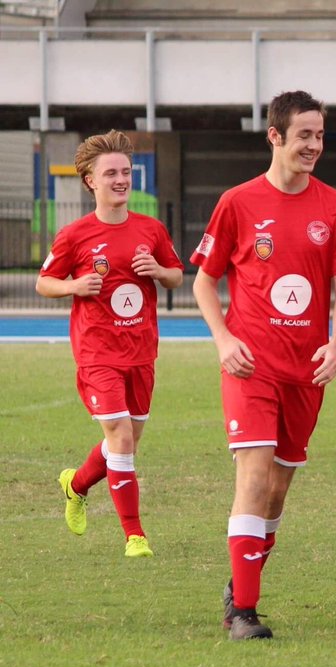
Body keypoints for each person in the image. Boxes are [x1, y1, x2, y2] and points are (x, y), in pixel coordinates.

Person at [191, 90, 336, 640]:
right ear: (275, 136)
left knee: (277, 491)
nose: (314, 144)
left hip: (304, 372)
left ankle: (239, 581)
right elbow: (203, 280)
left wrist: (335, 345)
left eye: (319, 134)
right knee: (255, 474)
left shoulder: (335, 206)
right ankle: (243, 610)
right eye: (304, 134)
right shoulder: (238, 202)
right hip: (250, 366)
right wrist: (222, 340)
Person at [37, 130, 184, 558]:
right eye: (111, 173)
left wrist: (157, 269)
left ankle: (76, 484)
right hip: (97, 352)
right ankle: (135, 536)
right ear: (91, 181)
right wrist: (75, 286)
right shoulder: (75, 234)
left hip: (141, 350)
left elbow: (177, 275)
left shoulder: (151, 229)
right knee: (120, 436)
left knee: (126, 442)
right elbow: (43, 283)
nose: (121, 179)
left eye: (125, 172)